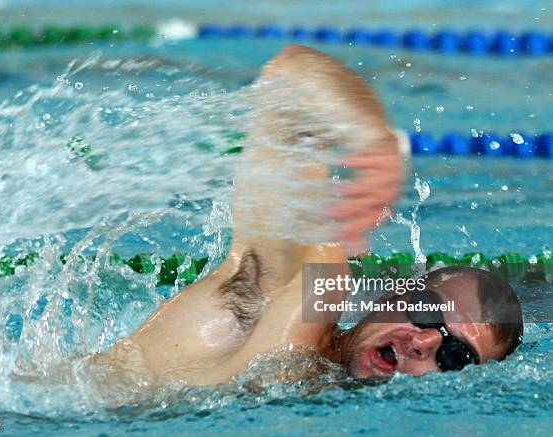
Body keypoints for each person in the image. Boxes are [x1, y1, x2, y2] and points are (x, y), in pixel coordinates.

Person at [88, 45, 523, 389]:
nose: (425, 340)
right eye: (428, 312)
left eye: (456, 356)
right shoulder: (297, 302)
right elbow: (291, 76)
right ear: (392, 300)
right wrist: (376, 146)